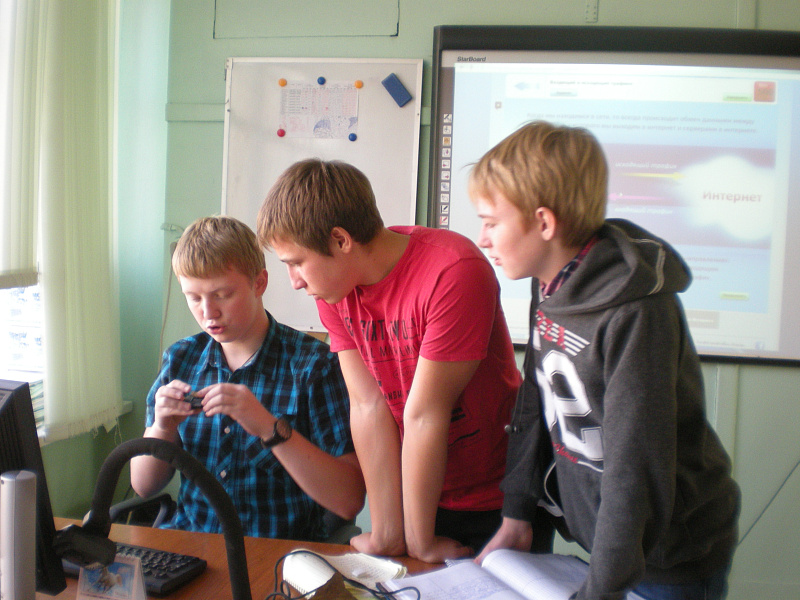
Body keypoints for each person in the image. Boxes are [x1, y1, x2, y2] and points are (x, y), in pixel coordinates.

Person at [471, 121, 741, 600]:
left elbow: (635, 465)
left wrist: (601, 591)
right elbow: (536, 395)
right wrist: (517, 510)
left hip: (668, 554)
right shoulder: (549, 282)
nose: (482, 238)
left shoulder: (637, 312)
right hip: (610, 540)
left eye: (491, 222)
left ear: (544, 223)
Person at [257, 159, 521, 563]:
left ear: (341, 240)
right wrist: (387, 534)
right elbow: (368, 406)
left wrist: (420, 542)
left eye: (296, 262)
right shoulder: (335, 289)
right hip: (422, 492)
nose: (294, 281)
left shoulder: (452, 270)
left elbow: (424, 414)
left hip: (495, 494)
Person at [130, 215, 364, 541]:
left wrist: (269, 428)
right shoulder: (181, 359)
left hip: (275, 553)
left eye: (222, 294)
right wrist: (162, 428)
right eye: (194, 297)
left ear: (259, 283)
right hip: (193, 547)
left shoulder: (314, 367)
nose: (208, 313)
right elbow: (143, 486)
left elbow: (349, 500)